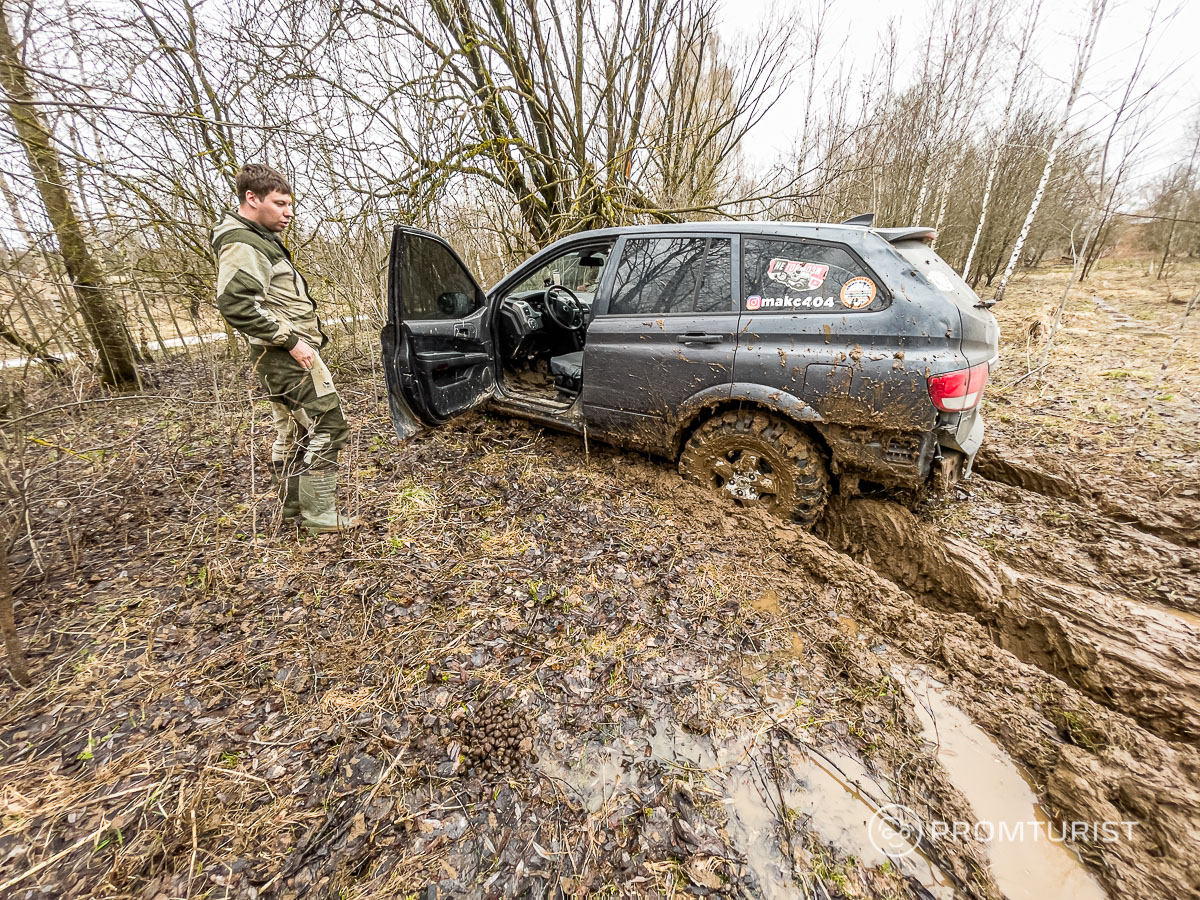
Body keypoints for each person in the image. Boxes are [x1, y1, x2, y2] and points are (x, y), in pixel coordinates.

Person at [212, 164, 358, 533]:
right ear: (252, 198)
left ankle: (294, 507)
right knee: (330, 425)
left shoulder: (255, 238)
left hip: (275, 355)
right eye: (279, 203)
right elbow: (237, 305)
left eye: (289, 204)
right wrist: (291, 342)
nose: (288, 212)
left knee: (294, 430)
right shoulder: (242, 243)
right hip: (284, 355)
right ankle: (319, 515)